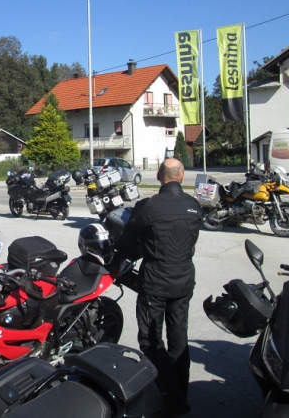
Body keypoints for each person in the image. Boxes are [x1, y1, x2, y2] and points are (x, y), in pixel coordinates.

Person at [118, 158, 201, 417]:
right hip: (184, 281)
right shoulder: (194, 205)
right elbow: (191, 243)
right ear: (182, 176)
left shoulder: (148, 206)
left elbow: (127, 241)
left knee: (150, 341)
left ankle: (174, 398)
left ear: (158, 176)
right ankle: (179, 393)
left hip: (155, 282)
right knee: (178, 339)